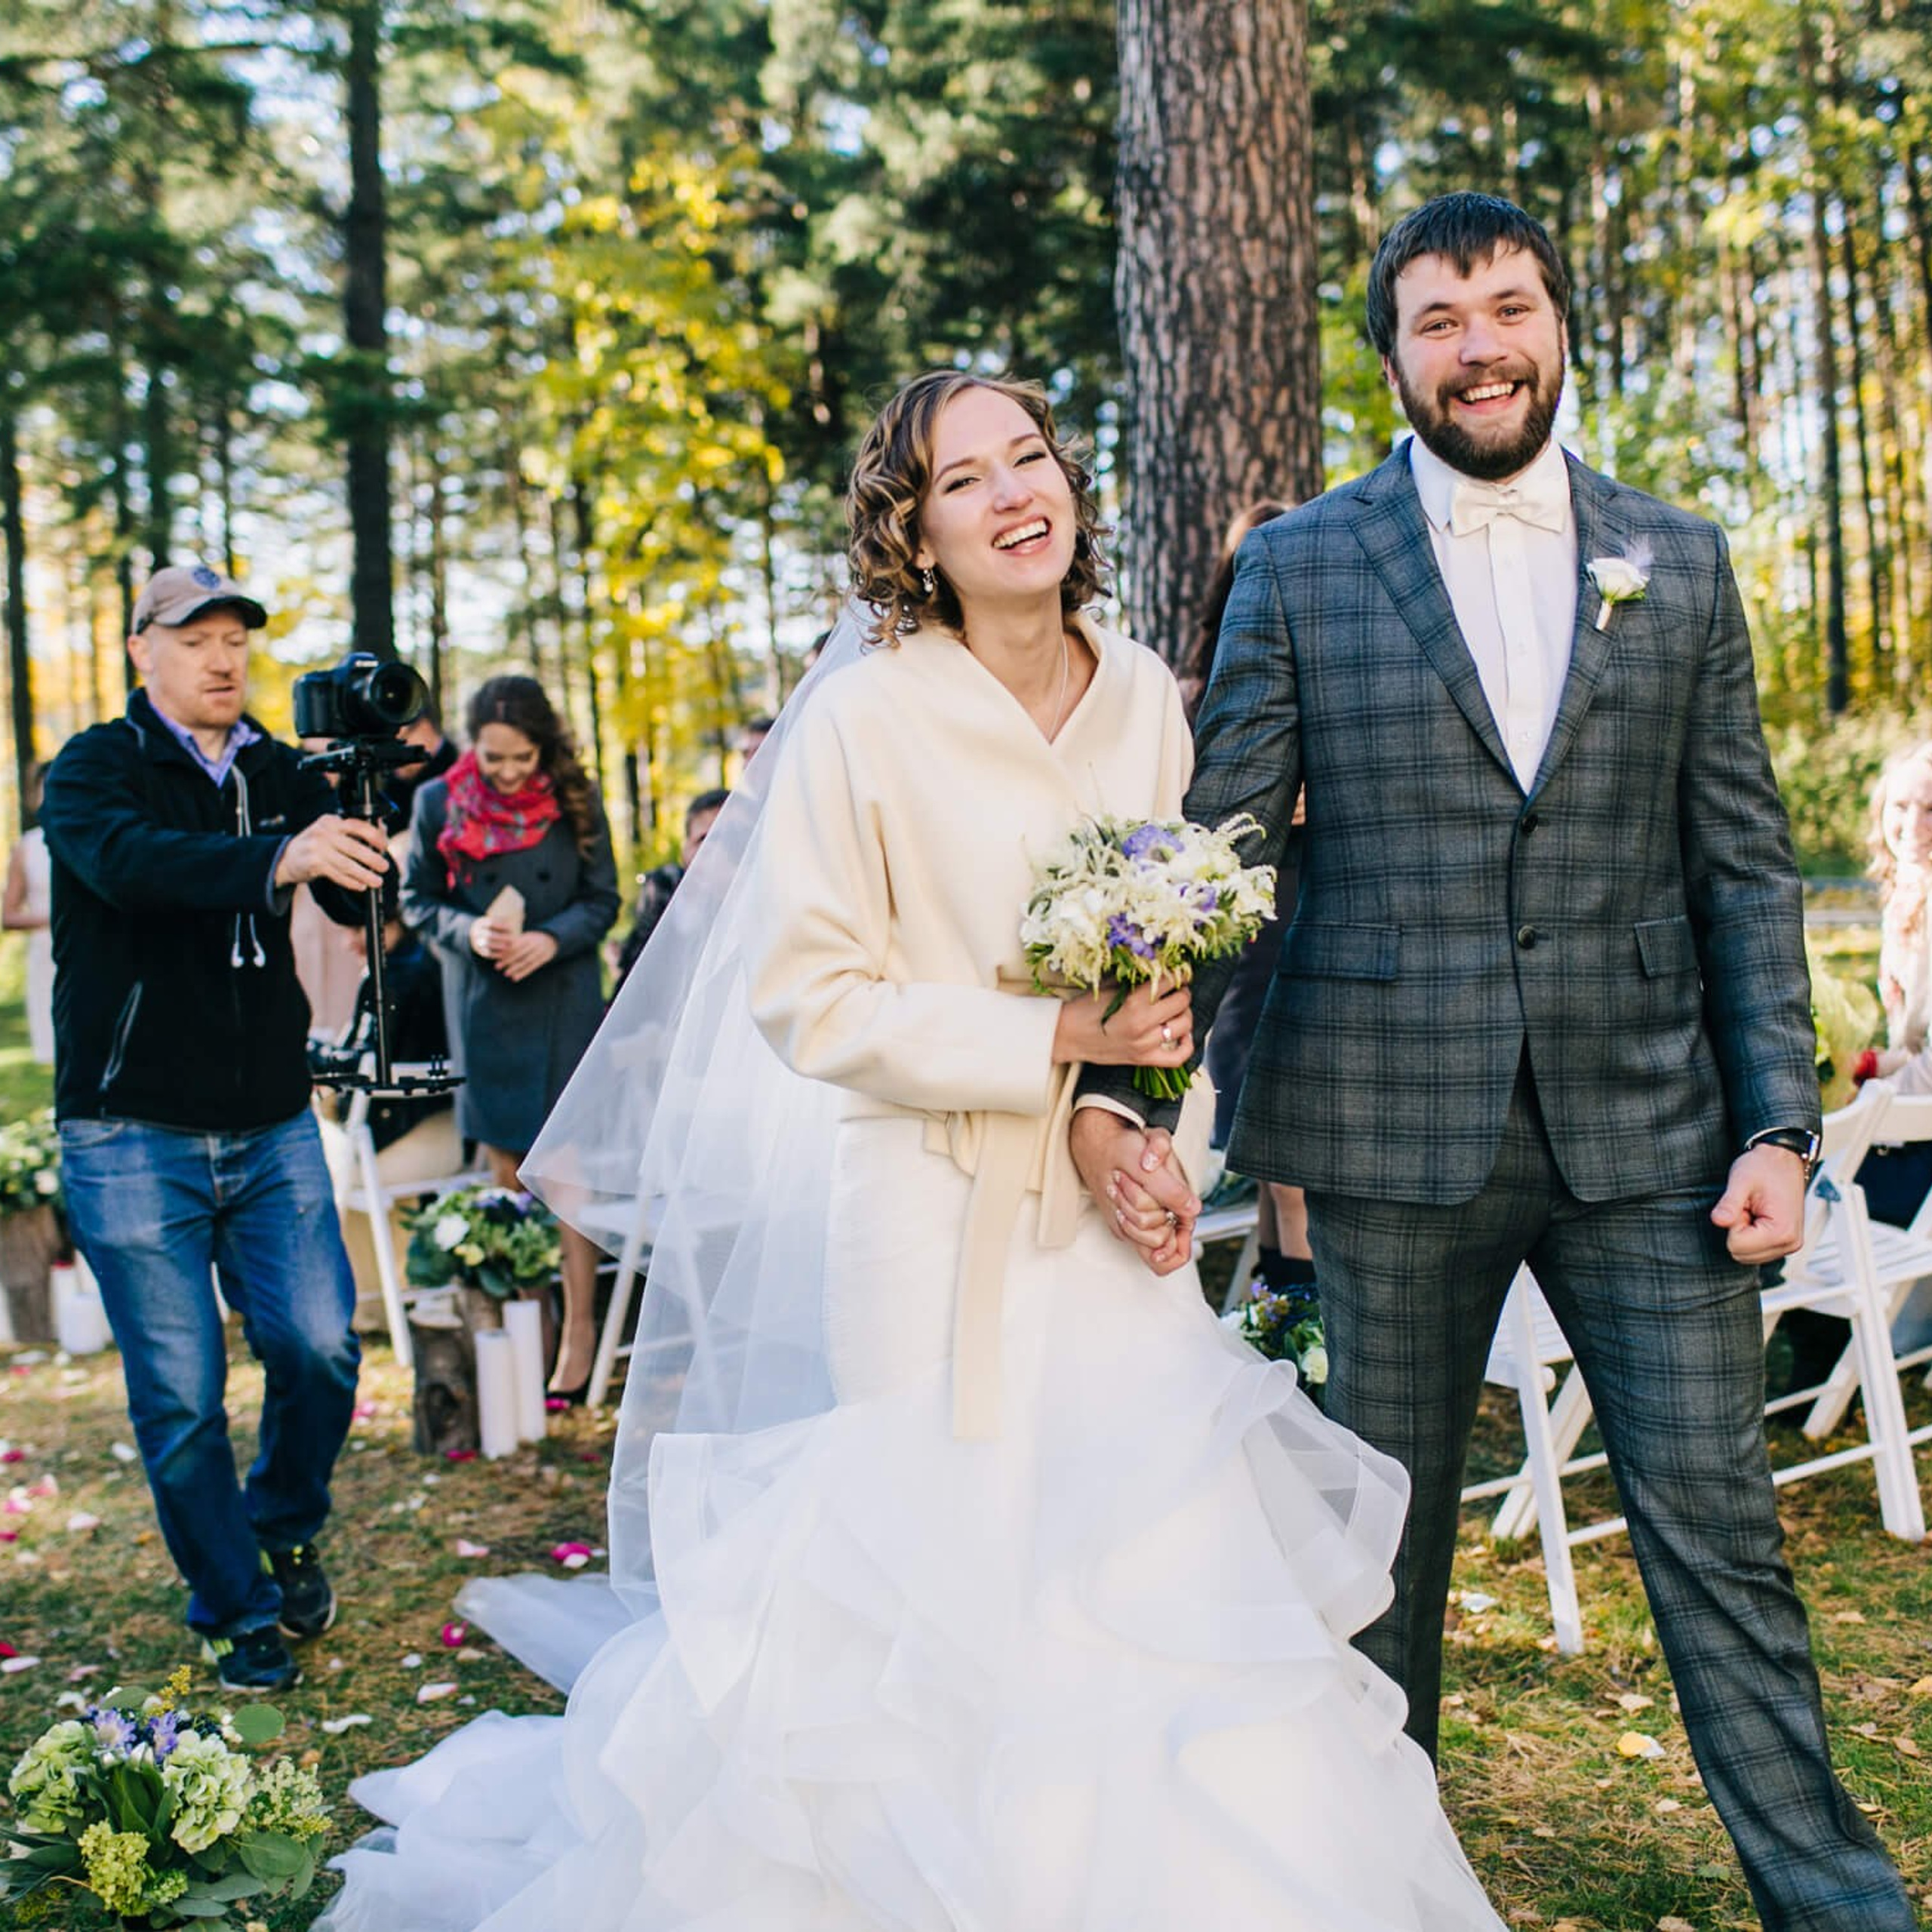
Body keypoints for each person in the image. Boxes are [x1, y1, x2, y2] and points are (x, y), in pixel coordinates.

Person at [321, 374, 1506, 1930]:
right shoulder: (866, 714)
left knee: (1145, 1572)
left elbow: (1175, 969)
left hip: (1102, 1230)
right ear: (914, 528)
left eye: (1031, 458)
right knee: (935, 1591)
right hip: (919, 1211)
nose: (1015, 492)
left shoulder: (1147, 690)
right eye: (965, 478)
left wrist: (1140, 1136)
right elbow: (806, 994)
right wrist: (1045, 1047)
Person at [1072, 194, 1915, 1932]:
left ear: (1554, 324)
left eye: (1505, 306)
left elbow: (1739, 866)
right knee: (1375, 1565)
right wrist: (1124, 1085)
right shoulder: (1302, 562)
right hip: (1380, 1137)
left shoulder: (1672, 557)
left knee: (1723, 1548)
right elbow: (1226, 845)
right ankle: (1371, 1895)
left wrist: (1777, 1118)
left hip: (1654, 1142)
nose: (1477, 344)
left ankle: (1837, 1904)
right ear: (1388, 355)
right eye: (1438, 317)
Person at [39, 563, 388, 1694]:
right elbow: (132, 869)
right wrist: (276, 856)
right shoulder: (95, 768)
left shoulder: (282, 770)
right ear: (143, 650)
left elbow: (343, 897)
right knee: (183, 1396)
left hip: (270, 1120)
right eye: (196, 639)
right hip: (130, 1131)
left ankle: (281, 1526)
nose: (225, 658)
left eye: (239, 638)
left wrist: (363, 831)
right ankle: (238, 1604)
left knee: (322, 1348)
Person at [401, 676, 619, 1398]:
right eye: (493, 758)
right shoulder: (437, 802)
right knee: (509, 1171)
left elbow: (603, 899)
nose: (506, 772)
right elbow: (418, 902)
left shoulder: (575, 798)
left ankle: (582, 1324)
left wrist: (552, 941)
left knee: (566, 1170)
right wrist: (470, 930)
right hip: (484, 1003)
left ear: (543, 745)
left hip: (561, 996)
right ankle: (536, 1318)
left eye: (520, 758)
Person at [1185, 503, 1316, 1303]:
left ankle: (1297, 1343)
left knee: (1297, 1170)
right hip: (1248, 933)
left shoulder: (1345, 666)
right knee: (1274, 1165)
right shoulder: (1194, 688)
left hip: (1318, 912)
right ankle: (1289, 1336)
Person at [610, 786, 728, 992]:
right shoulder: (664, 887)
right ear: (686, 848)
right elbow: (636, 968)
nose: (716, 850)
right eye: (704, 839)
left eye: (727, 838)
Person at [2, 761, 54, 1064]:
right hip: (45, 954)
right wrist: (55, 918)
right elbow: (7, 915)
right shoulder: (29, 846)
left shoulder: (93, 839)